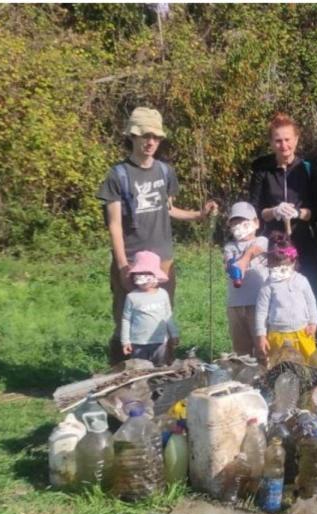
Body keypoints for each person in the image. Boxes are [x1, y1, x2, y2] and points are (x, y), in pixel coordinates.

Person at [97, 106, 217, 365]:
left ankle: (161, 379)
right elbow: (114, 224)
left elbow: (169, 209)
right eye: (145, 136)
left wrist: (199, 214)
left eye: (156, 137)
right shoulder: (117, 175)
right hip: (131, 260)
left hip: (163, 261)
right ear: (133, 135)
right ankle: (122, 381)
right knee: (126, 321)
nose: (151, 142)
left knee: (161, 320)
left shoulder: (165, 172)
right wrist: (121, 267)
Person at [248, 113, 317, 344]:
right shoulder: (262, 170)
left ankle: (314, 348)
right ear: (271, 142)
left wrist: (300, 213)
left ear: (296, 139)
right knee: (274, 296)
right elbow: (254, 210)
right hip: (275, 245)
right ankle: (275, 350)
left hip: (306, 243)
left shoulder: (308, 169)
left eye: (288, 139)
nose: (284, 145)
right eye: (278, 140)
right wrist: (273, 211)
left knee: (309, 294)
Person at [255, 232, 317, 362]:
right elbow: (261, 311)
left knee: (308, 364)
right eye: (276, 267)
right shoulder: (268, 285)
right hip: (278, 336)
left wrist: (313, 322)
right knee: (280, 367)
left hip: (302, 333)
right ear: (270, 264)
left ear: (293, 261)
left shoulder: (302, 281)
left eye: (285, 266)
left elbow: (311, 302)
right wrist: (261, 335)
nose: (281, 270)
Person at [223, 201, 269, 358]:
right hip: (235, 304)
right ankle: (244, 375)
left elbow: (255, 250)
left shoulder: (261, 240)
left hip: (258, 303)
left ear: (256, 223)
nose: (239, 228)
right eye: (235, 225)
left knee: (262, 345)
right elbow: (228, 263)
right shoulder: (230, 246)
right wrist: (231, 265)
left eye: (244, 223)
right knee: (240, 347)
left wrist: (243, 261)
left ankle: (265, 374)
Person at [120, 250, 180, 366]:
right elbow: (126, 319)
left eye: (147, 275)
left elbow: (168, 316)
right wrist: (125, 341)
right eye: (139, 276)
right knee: (139, 369)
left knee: (160, 368)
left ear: (155, 276)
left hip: (159, 342)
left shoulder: (162, 294)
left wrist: (174, 334)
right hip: (138, 343)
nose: (143, 280)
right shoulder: (132, 297)